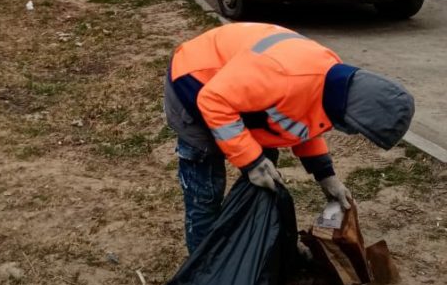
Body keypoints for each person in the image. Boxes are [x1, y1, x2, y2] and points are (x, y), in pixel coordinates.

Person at [164, 22, 415, 254]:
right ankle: (203, 273)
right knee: (205, 194)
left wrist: (325, 175)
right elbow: (213, 100)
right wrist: (251, 162)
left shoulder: (331, 82)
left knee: (261, 180)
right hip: (194, 84)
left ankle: (248, 251)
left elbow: (305, 120)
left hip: (238, 92)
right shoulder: (285, 77)